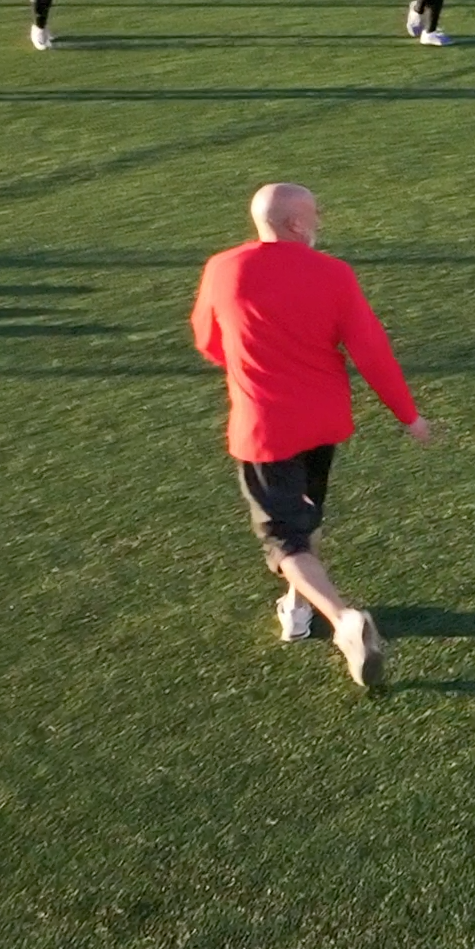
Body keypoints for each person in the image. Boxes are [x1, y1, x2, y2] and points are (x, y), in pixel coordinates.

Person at [190, 181, 432, 691]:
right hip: (324, 422)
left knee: (284, 537)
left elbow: (208, 342)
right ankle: (297, 612)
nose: (320, 221)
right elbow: (371, 352)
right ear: (297, 224)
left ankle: (343, 619)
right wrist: (408, 416)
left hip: (264, 427)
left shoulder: (222, 268)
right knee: (307, 512)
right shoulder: (334, 274)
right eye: (315, 214)